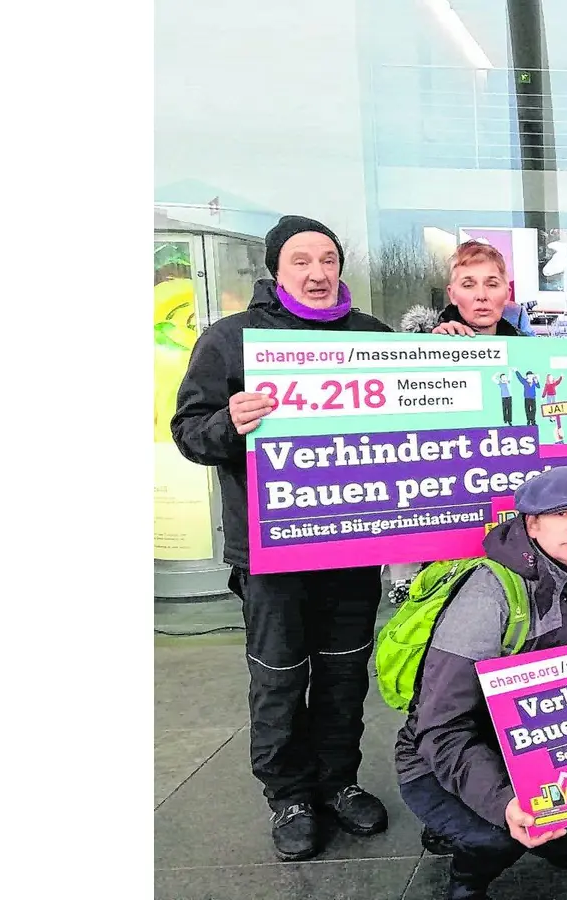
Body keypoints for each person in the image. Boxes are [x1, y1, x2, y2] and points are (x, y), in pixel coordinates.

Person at [170, 215, 392, 861]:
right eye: (302, 260)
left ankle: (338, 783)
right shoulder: (232, 339)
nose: (319, 273)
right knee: (279, 673)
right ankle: (289, 795)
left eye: (328, 258)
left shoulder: (372, 337)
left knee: (346, 672)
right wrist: (228, 424)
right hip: (272, 547)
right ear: (276, 269)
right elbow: (189, 431)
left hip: (352, 538)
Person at [392, 466, 567, 899]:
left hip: (527, 745)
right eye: (561, 514)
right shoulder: (488, 595)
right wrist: (504, 802)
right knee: (500, 832)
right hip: (436, 755)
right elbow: (440, 727)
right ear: (531, 525)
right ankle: (466, 877)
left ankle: (464, 823)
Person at [398, 240, 527, 338]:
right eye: (468, 285)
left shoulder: (528, 351)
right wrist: (434, 349)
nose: (481, 295)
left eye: (492, 284)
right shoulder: (418, 345)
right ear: (452, 295)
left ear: (507, 294)